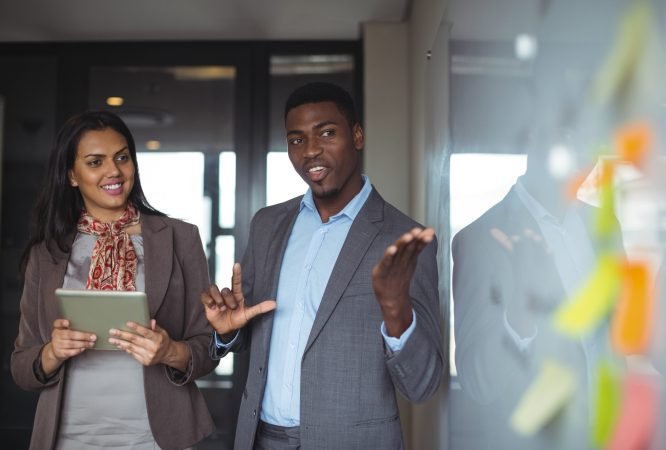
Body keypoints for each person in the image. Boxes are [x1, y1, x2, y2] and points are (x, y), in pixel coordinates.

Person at [201, 82, 444, 449]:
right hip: (260, 438)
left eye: (327, 133)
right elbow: (251, 326)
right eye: (296, 139)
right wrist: (227, 332)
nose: (311, 150)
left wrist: (396, 311)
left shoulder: (405, 238)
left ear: (357, 136)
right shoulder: (267, 225)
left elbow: (422, 385)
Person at [11, 111, 217, 450]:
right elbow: (21, 366)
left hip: (157, 439)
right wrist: (52, 351)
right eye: (95, 162)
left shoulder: (181, 238)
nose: (114, 172)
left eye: (122, 157)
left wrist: (170, 351)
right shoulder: (45, 254)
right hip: (68, 438)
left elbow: (208, 348)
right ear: (72, 176)